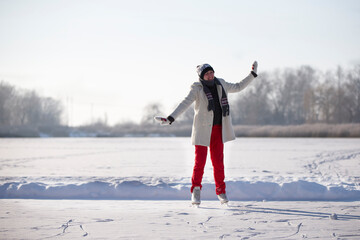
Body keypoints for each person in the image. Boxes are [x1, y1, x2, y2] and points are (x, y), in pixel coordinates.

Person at [155, 61, 258, 205]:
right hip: (202, 130)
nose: (210, 75)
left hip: (217, 129)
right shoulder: (197, 89)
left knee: (218, 163)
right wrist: (171, 117)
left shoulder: (221, 83)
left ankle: (221, 191)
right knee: (200, 163)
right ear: (202, 76)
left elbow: (238, 86)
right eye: (207, 74)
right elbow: (185, 103)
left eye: (211, 72)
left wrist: (252, 75)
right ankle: (196, 191)